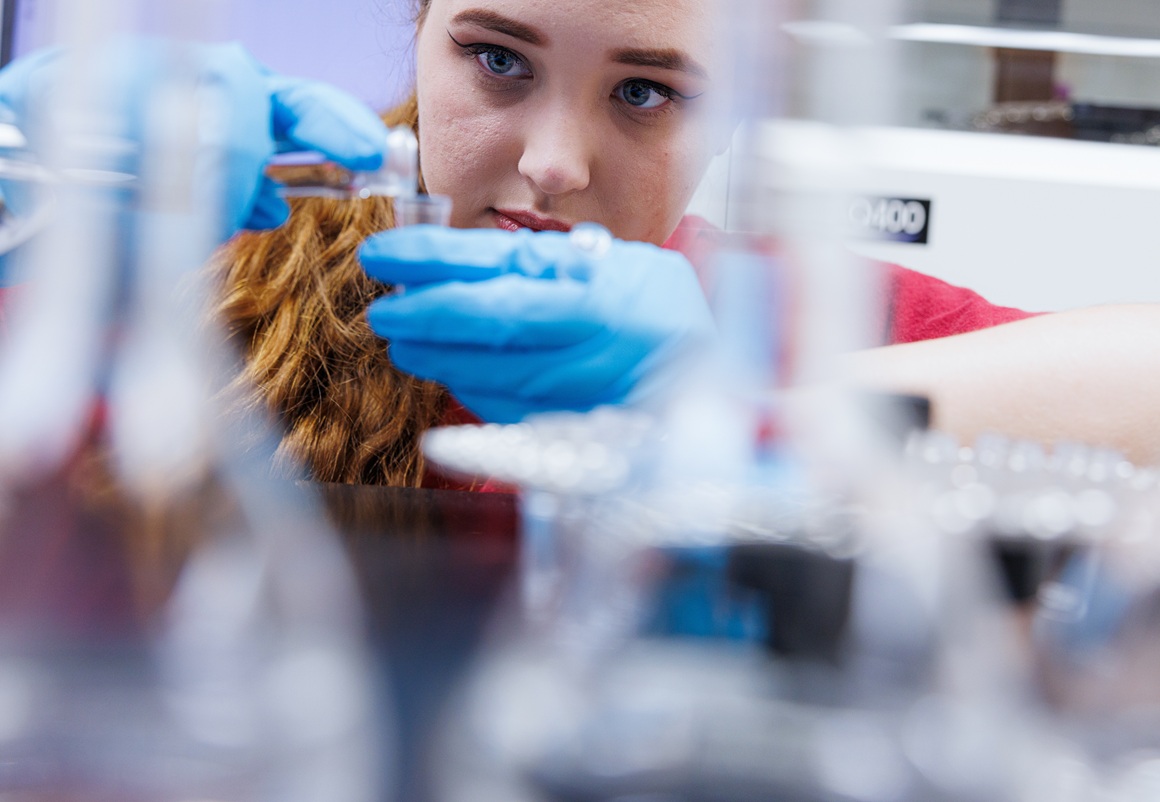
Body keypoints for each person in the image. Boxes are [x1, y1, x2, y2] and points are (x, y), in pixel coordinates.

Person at [6, 1, 1160, 489]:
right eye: (498, 60)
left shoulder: (746, 313)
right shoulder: (209, 273)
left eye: (647, 92)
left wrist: (733, 407)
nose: (554, 163)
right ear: (419, 38)